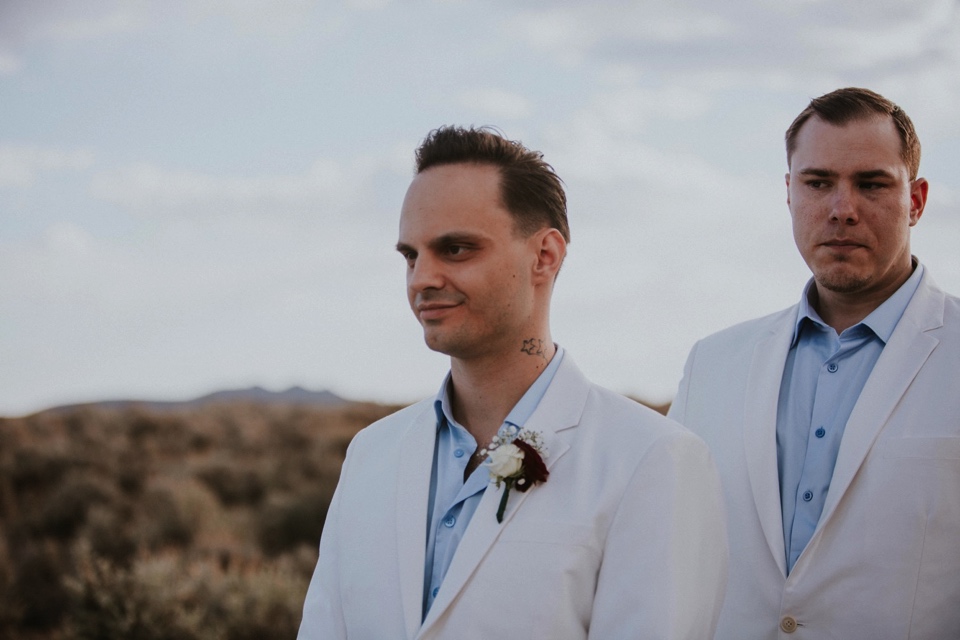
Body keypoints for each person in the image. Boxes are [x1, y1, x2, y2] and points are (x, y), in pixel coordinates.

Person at [298, 126, 728, 640]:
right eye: (410, 255)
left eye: (455, 249)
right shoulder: (371, 455)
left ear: (545, 255)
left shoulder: (651, 460)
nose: (420, 279)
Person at [668, 87, 960, 639]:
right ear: (788, 192)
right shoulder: (713, 363)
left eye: (871, 184)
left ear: (916, 200)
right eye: (818, 182)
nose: (842, 209)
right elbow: (668, 550)